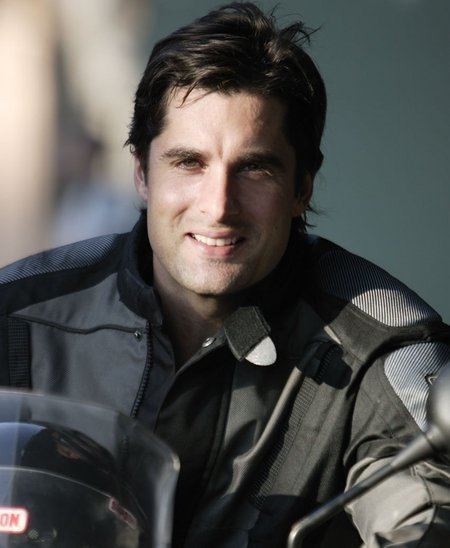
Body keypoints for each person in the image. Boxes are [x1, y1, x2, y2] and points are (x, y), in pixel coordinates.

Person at [0, 3, 449, 546]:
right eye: (189, 162)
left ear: (303, 186)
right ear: (141, 173)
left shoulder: (382, 350)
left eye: (254, 168)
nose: (218, 206)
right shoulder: (19, 314)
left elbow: (427, 521)